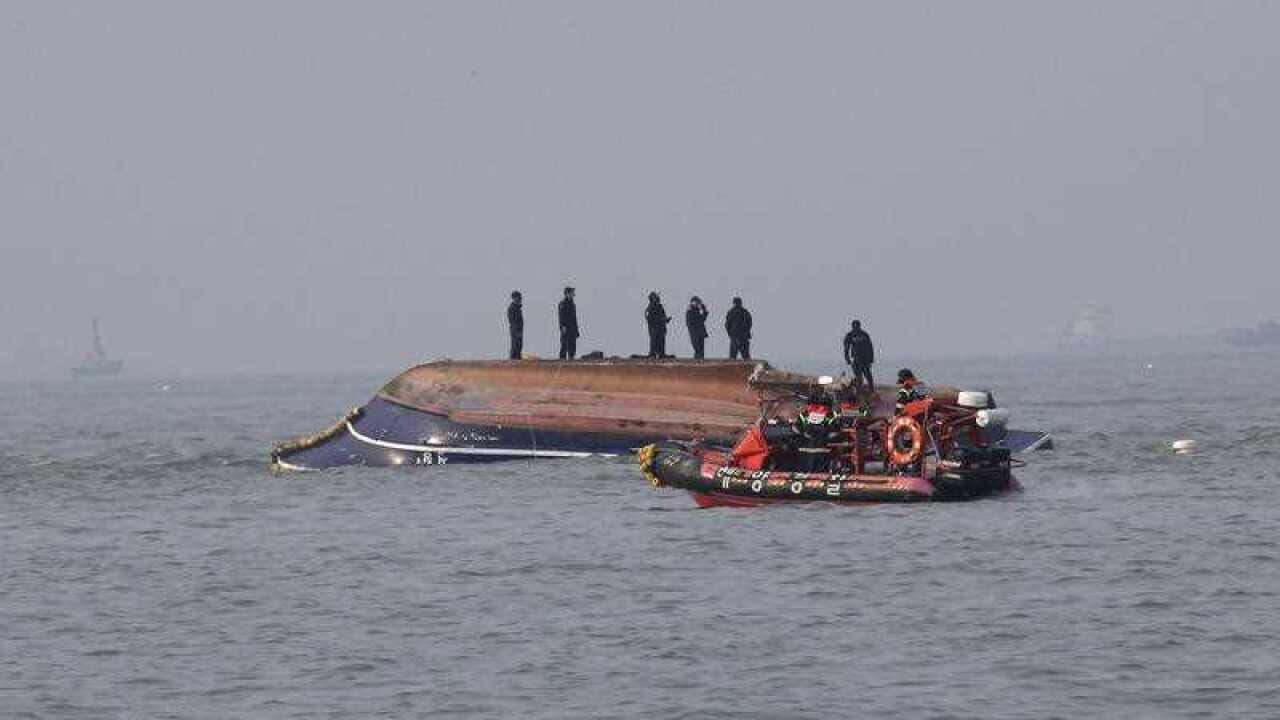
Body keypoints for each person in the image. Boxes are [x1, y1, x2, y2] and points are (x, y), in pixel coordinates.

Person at [842, 320, 875, 393]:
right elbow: (846, 347)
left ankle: (872, 391)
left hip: (865, 360)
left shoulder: (864, 334)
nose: (856, 328)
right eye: (854, 326)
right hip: (855, 360)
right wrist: (847, 358)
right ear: (852, 327)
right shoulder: (850, 335)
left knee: (868, 376)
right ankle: (859, 391)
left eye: (857, 326)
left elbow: (870, 347)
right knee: (858, 377)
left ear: (860, 326)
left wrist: (871, 359)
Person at [645, 292, 671, 358]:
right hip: (654, 328)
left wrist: (666, 320)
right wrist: (659, 320)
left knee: (661, 341)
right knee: (654, 340)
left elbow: (663, 316)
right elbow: (649, 319)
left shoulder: (660, 307)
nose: (657, 299)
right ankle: (653, 354)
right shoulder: (650, 308)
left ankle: (661, 353)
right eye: (655, 298)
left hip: (661, 328)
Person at [558, 287, 579, 360]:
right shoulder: (562, 304)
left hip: (572, 329)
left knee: (572, 347)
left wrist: (576, 330)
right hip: (566, 329)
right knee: (564, 346)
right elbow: (561, 317)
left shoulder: (573, 304)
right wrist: (562, 327)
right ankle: (562, 361)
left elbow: (574, 319)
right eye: (571, 293)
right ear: (567, 294)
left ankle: (571, 360)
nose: (573, 294)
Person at [506, 291, 523, 360]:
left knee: (519, 346)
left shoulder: (518, 308)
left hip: (519, 330)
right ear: (514, 298)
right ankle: (513, 361)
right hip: (515, 330)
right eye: (518, 298)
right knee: (515, 346)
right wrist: (517, 332)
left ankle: (518, 359)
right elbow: (513, 321)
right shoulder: (512, 308)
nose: (520, 299)